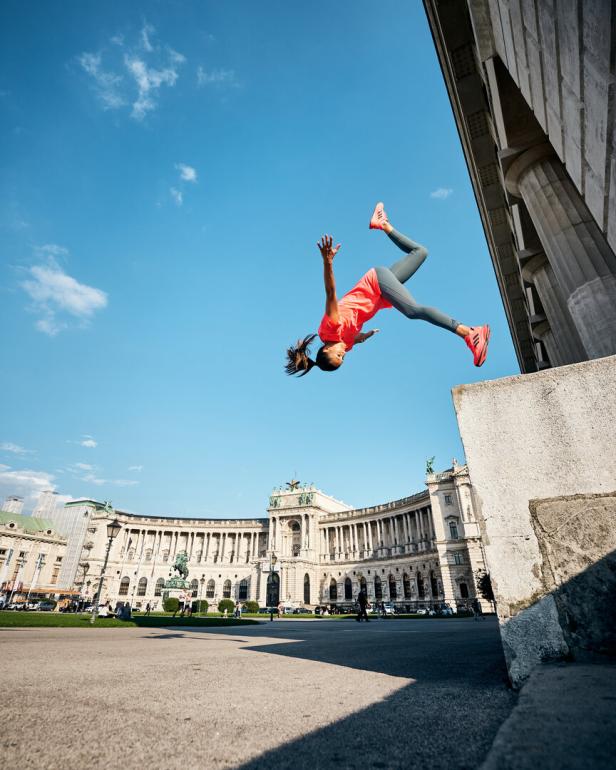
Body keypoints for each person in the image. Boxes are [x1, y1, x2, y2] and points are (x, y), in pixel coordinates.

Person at [285, 203, 490, 377]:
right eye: (343, 359)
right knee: (420, 252)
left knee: (412, 311)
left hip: (376, 283)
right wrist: (364, 336)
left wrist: (327, 262)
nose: (344, 354)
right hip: (381, 293)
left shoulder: (329, 328)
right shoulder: (345, 343)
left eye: (339, 356)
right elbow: (351, 338)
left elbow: (330, 293)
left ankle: (469, 332)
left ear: (327, 348)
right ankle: (382, 223)